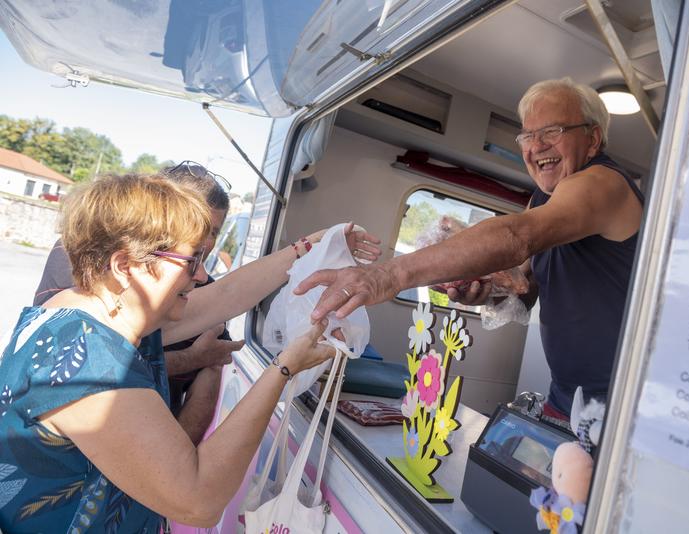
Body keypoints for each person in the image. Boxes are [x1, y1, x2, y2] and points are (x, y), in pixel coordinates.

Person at [0, 173, 380, 531]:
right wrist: (282, 369)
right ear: (125, 265)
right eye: (191, 260)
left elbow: (226, 295)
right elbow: (198, 501)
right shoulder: (85, 361)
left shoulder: (91, 311)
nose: (201, 275)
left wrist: (312, 246)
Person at [295, 77, 644, 417]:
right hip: (565, 398)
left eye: (552, 132)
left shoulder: (604, 182)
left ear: (593, 138)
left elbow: (516, 238)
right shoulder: (543, 199)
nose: (536, 146)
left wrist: (387, 275)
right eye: (527, 135)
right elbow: (524, 286)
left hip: (620, 410)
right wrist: (489, 291)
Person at [32, 161, 243, 444]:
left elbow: (212, 366)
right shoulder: (79, 257)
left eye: (214, 231)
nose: (205, 242)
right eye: (197, 224)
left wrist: (176, 463)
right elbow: (88, 362)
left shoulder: (201, 283)